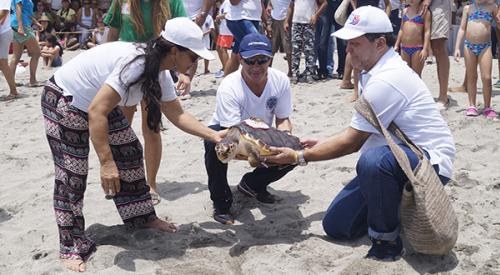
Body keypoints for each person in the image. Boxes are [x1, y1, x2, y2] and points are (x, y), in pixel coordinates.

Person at [265, 7, 455, 261]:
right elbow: (361, 132)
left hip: (429, 164)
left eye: (354, 43)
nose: (348, 49)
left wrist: (299, 156)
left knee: (373, 162)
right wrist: (321, 143)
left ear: (379, 43)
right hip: (396, 160)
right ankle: (394, 204)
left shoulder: (387, 78)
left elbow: (352, 142)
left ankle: (386, 241)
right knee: (336, 226)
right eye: (347, 43)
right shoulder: (375, 70)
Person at [41, 17, 221, 272]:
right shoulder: (136, 64)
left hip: (94, 102)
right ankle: (70, 245)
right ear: (174, 51)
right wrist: (106, 162)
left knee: (129, 149)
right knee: (73, 174)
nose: (195, 63)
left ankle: (141, 216)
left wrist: (214, 136)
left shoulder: (160, 71)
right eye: (193, 56)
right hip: (65, 98)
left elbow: (176, 114)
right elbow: (96, 113)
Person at [204, 33, 295, 225]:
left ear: (270, 59)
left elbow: (283, 119)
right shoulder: (229, 86)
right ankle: (221, 203)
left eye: (262, 60)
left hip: (262, 131)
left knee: (296, 151)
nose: (256, 67)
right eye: (250, 61)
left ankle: (253, 184)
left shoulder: (280, 81)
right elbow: (233, 132)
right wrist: (257, 153)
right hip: (230, 131)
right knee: (213, 145)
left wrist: (285, 139)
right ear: (239, 59)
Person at [104, 0, 187, 204]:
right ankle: (119, 180)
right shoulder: (122, 1)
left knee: (151, 128)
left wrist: (184, 72)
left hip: (156, 65)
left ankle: (151, 184)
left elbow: (183, 35)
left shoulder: (171, 2)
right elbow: (113, 34)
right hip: (126, 67)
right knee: (121, 129)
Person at [453, 0, 498, 119]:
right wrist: (457, 47)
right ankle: (472, 105)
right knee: (472, 77)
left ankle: (487, 106)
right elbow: (462, 28)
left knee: (487, 77)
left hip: (485, 46)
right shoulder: (468, 8)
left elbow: (498, 22)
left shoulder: (492, 7)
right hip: (469, 46)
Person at [286, 0, 327, 84]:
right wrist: (286, 21)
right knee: (295, 50)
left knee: (309, 51)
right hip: (296, 23)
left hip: (309, 24)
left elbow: (324, 3)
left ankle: (309, 74)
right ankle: (295, 74)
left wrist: (316, 15)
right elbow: (291, 6)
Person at [422, 0, 452, 109]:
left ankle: (443, 96)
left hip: (438, 5)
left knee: (438, 46)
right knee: (414, 44)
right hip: (416, 4)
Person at [224, 0, 266, 76]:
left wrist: (265, 20)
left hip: (254, 18)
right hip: (239, 18)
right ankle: (256, 81)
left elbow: (261, 2)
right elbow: (233, 2)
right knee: (257, 48)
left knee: (236, 55)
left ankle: (225, 83)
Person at [9, 0, 44, 88]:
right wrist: (20, 27)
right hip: (22, 25)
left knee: (16, 57)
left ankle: (11, 82)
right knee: (36, 53)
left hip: (16, 24)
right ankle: (32, 81)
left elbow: (27, 12)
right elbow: (18, 8)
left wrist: (36, 22)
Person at [395, 0, 431, 77]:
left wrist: (425, 49)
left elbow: (427, 32)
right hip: (404, 48)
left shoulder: (424, 12)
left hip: (417, 49)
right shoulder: (405, 11)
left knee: (416, 76)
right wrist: (396, 45)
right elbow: (401, 30)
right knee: (406, 75)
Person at [267, 0, 292, 77]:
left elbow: (292, 4)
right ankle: (268, 69)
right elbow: (270, 3)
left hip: (285, 18)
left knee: (287, 46)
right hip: (274, 18)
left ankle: (291, 71)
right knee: (272, 46)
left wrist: (287, 20)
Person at [0, 0, 17, 100]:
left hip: (4, 32)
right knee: (2, 63)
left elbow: (3, 12)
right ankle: (13, 90)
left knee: (3, 62)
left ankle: (14, 91)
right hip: (3, 31)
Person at [214, 0, 234, 78]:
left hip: (227, 30)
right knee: (218, 48)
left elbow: (227, 15)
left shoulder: (227, 2)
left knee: (223, 49)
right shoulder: (222, 4)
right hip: (223, 30)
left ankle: (227, 70)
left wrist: (218, 17)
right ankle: (224, 67)